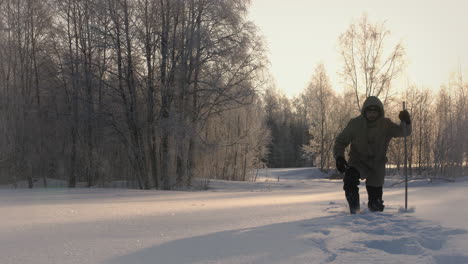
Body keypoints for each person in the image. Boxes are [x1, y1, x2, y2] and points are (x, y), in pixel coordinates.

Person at [333, 96, 411, 214]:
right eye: (370, 111)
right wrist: (339, 157)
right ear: (365, 111)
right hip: (357, 162)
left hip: (377, 165)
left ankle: (375, 221)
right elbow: (340, 141)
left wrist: (406, 121)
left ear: (380, 112)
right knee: (350, 179)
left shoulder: (386, 124)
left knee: (376, 206)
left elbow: (404, 132)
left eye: (375, 111)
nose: (372, 114)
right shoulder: (355, 124)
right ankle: (355, 212)